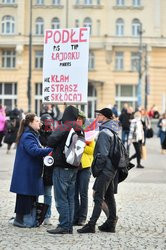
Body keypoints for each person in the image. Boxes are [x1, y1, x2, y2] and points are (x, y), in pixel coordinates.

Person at [77, 108, 119, 234]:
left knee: (97, 196)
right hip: (112, 169)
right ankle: (111, 223)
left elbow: (102, 155)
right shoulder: (113, 130)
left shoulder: (104, 133)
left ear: (105, 117)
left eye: (99, 115)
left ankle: (91, 225)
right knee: (109, 197)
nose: (97, 117)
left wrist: (96, 169)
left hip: (105, 170)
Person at [10, 113, 52, 228]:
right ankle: (22, 221)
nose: (40, 123)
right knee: (25, 196)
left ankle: (23, 220)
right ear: (30, 123)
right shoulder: (28, 135)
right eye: (37, 121)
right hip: (27, 173)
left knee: (27, 197)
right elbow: (33, 151)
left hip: (28, 172)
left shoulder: (31, 134)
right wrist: (50, 149)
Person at [47, 105, 84, 234]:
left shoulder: (64, 126)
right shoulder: (80, 128)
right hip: (74, 167)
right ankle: (69, 226)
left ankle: (63, 225)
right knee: (70, 198)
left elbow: (50, 141)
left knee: (61, 198)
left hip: (62, 167)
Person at [73, 111, 95, 226]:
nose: (78, 121)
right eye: (76, 119)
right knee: (74, 193)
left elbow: (92, 150)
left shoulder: (88, 133)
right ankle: (75, 216)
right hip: (73, 166)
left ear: (83, 121)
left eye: (80, 119)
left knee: (83, 193)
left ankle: (82, 217)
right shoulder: (71, 132)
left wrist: (82, 146)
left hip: (85, 167)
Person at [39, 113, 54, 225]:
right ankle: (35, 213)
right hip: (38, 165)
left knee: (48, 192)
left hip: (49, 167)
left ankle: (47, 215)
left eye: (49, 122)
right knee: (35, 192)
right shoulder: (37, 134)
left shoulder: (53, 134)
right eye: (46, 122)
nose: (48, 124)